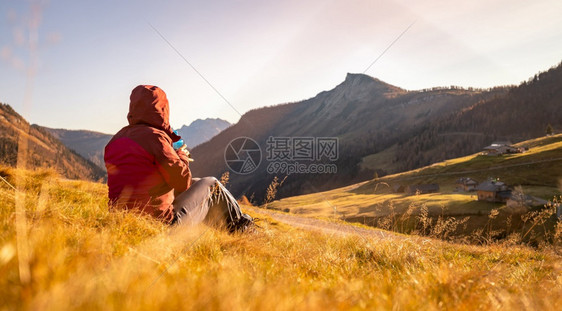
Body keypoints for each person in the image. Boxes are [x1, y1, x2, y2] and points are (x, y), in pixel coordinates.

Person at [104, 85, 253, 232]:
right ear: (162, 109)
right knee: (211, 185)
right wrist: (181, 154)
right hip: (161, 224)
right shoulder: (156, 138)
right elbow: (182, 182)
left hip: (121, 219)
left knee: (198, 184)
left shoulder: (115, 140)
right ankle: (242, 229)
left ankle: (232, 227)